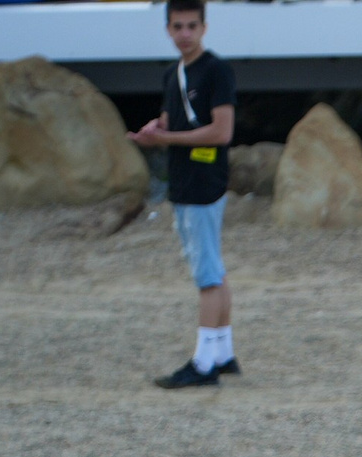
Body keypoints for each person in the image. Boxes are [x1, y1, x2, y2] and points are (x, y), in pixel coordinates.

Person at [130, 0, 239, 392]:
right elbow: (172, 117)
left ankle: (203, 362)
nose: (185, 34)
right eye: (178, 26)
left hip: (202, 183)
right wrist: (154, 129)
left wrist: (167, 139)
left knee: (207, 276)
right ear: (168, 29)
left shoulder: (216, 70)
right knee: (214, 267)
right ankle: (223, 353)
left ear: (204, 28)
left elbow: (221, 132)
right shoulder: (173, 73)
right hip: (187, 181)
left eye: (192, 26)